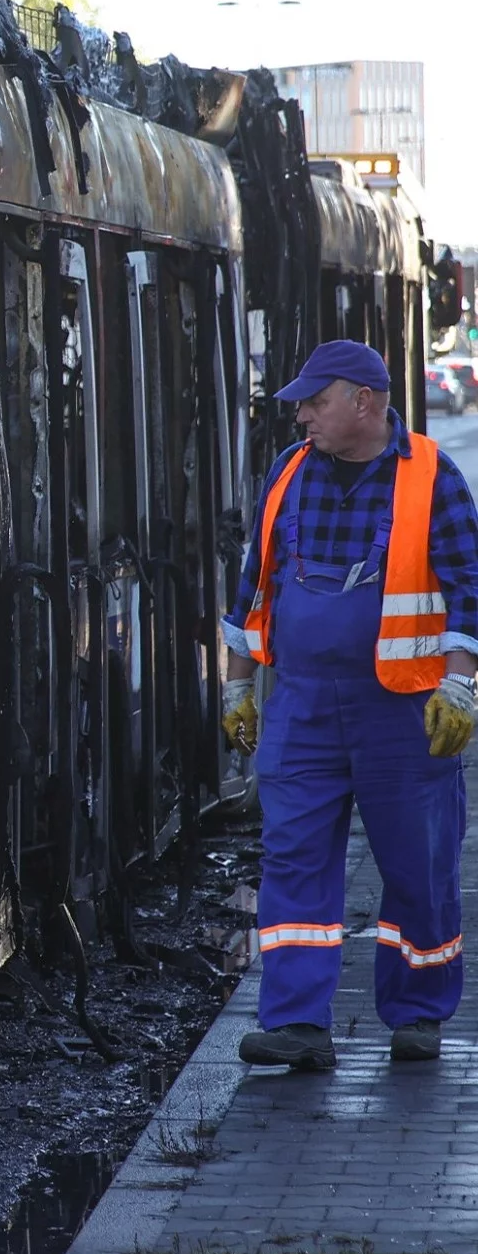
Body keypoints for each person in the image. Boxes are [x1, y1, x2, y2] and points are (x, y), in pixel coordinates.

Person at [221, 339, 478, 1069]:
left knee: (416, 865)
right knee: (292, 856)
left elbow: (470, 588)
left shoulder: (431, 477)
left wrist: (459, 684)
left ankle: (419, 1012)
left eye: (314, 400)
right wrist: (238, 682)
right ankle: (297, 1023)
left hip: (401, 710)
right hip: (303, 708)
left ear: (363, 401)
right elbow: (256, 585)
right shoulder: (290, 473)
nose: (301, 414)